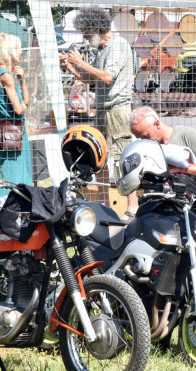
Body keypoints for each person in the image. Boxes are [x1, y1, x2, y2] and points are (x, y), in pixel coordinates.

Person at [60, 6, 134, 219]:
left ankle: (132, 207)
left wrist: (80, 62)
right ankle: (103, 206)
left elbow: (107, 77)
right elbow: (92, 80)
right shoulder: (102, 49)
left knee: (122, 159)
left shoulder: (118, 45)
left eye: (86, 32)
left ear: (97, 28)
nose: (85, 37)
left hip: (117, 109)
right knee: (99, 157)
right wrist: (72, 68)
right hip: (102, 109)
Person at [0, 32, 33, 198]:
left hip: (8, 130)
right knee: (12, 177)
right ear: (9, 51)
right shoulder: (6, 76)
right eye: (18, 48)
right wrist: (22, 105)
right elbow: (20, 109)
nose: (21, 52)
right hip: (12, 131)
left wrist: (22, 80)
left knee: (10, 173)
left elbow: (25, 103)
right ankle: (7, 210)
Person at [129, 106, 196, 176]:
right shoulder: (148, 148)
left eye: (146, 136)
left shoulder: (187, 135)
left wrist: (182, 169)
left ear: (157, 124)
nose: (144, 141)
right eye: (140, 138)